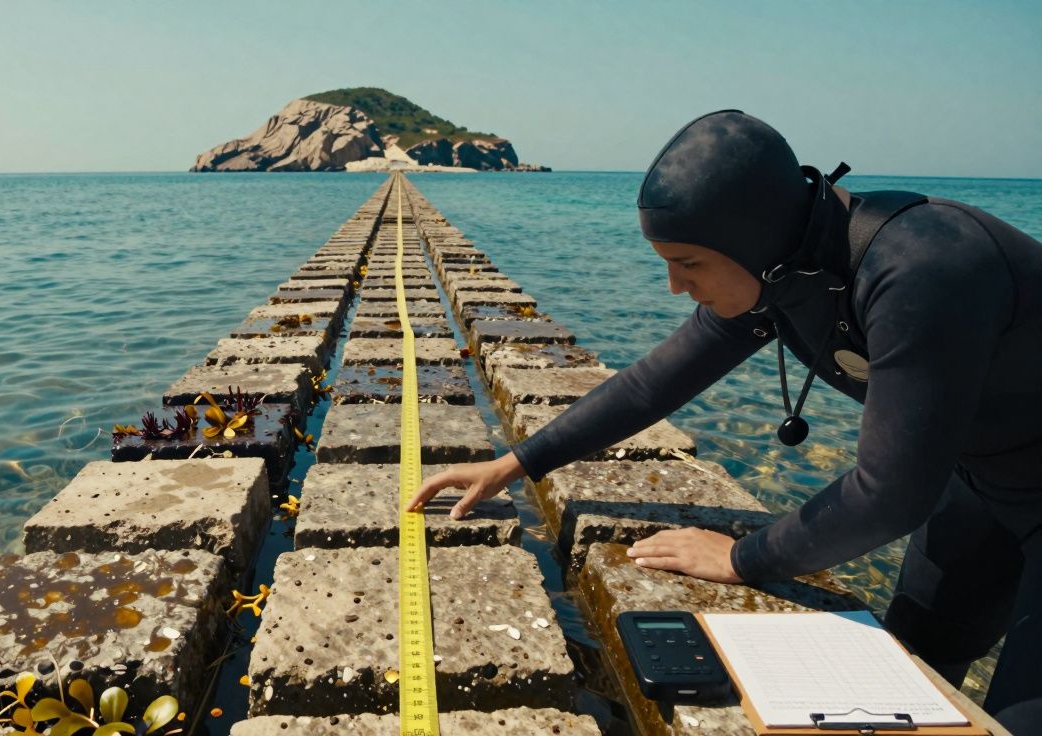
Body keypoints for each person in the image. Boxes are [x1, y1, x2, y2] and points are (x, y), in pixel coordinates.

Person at [406, 110, 1042, 729]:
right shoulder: (788, 267)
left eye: (688, 264)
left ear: (752, 240)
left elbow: (891, 496)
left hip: (1001, 477)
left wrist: (744, 559)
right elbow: (652, 384)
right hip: (980, 482)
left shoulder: (923, 268)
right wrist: (513, 463)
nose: (674, 288)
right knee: (913, 675)